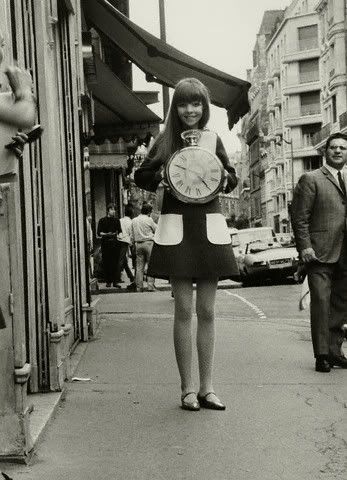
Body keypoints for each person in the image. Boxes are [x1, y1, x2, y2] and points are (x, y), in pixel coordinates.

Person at [134, 77, 239, 410]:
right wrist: (160, 176)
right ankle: (187, 389)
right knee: (183, 310)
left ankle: (208, 388)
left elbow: (231, 176)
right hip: (177, 227)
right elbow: (141, 176)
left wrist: (225, 176)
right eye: (183, 103)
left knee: (207, 311)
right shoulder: (165, 140)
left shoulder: (212, 138)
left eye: (196, 103)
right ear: (175, 107)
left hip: (208, 226)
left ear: (204, 107)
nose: (190, 110)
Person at [291, 132, 347, 373]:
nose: (338, 151)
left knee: (341, 305)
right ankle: (322, 355)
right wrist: (305, 247)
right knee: (321, 304)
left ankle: (335, 352)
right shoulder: (311, 178)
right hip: (319, 253)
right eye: (333, 147)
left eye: (343, 148)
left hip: (345, 253)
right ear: (326, 152)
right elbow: (299, 217)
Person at [131, 203, 157, 292]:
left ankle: (139, 287)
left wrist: (132, 244)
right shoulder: (149, 219)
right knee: (151, 266)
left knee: (139, 267)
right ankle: (150, 286)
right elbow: (156, 229)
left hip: (138, 244)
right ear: (149, 212)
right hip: (149, 243)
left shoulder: (134, 220)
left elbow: (132, 234)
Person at [97, 203, 122, 288]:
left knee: (115, 263)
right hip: (105, 244)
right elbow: (99, 233)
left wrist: (118, 236)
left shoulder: (117, 220)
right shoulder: (102, 221)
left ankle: (115, 281)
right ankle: (108, 281)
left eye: (114, 209)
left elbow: (120, 232)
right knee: (106, 262)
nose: (113, 211)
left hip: (115, 244)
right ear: (108, 211)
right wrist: (107, 234)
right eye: (112, 209)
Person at [117, 204, 136, 291]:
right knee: (121, 260)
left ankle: (131, 276)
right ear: (131, 214)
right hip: (126, 241)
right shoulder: (130, 222)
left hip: (119, 240)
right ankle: (117, 277)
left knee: (123, 260)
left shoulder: (120, 220)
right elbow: (131, 233)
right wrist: (132, 242)